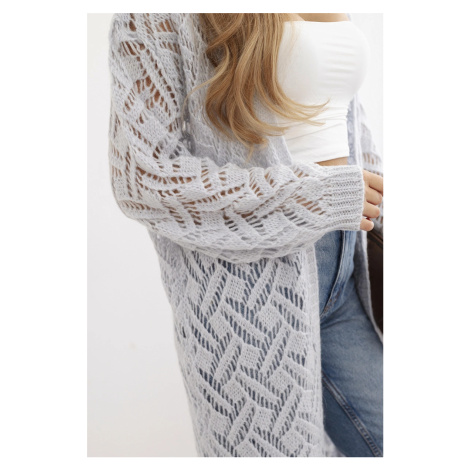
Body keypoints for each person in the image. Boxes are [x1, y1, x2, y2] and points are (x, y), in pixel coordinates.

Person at [108, 13, 383, 457]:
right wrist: (314, 197)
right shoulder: (155, 16)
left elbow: (338, 108)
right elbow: (142, 177)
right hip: (252, 285)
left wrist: (378, 195)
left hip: (348, 265)